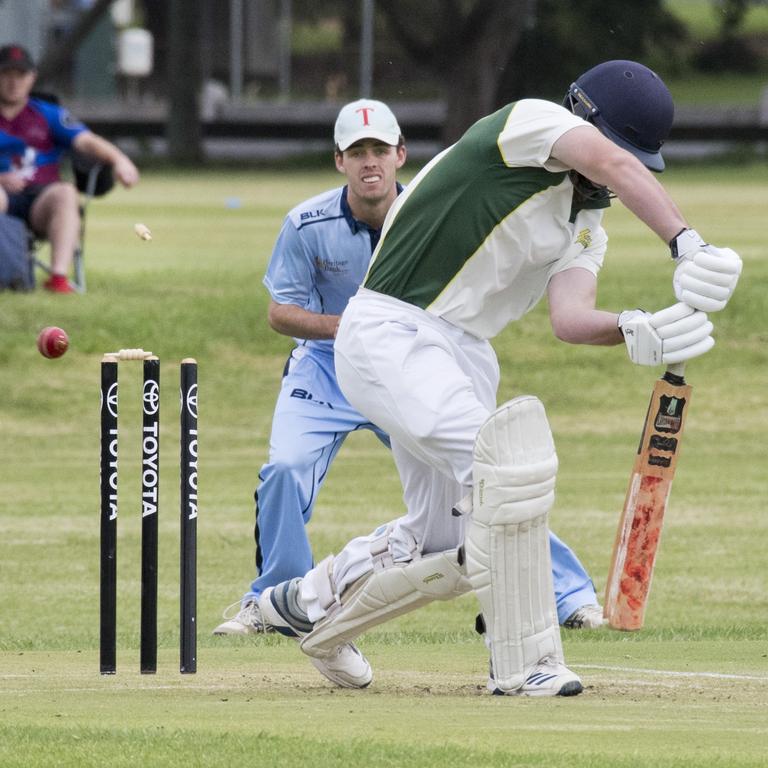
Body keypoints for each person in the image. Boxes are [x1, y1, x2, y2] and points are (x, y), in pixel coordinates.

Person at [255, 61, 742, 697]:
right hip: (391, 329)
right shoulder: (531, 123)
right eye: (622, 154)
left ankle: (309, 607)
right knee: (507, 469)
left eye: (637, 161)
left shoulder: (585, 221)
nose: (624, 173)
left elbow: (569, 319)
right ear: (589, 127)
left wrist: (634, 328)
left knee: (444, 536)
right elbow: (612, 162)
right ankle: (523, 662)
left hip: (461, 352)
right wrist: (686, 243)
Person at [213, 99, 606, 656]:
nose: (369, 162)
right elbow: (280, 311)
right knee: (285, 468)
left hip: (412, 363)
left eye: (379, 150)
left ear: (401, 155)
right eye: (357, 152)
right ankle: (275, 601)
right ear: (339, 162)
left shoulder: (433, 206)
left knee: (483, 471)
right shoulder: (305, 224)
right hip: (325, 368)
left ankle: (567, 594)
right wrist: (350, 327)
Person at [0, 44, 139, 293]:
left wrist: (120, 160)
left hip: (39, 200)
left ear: (32, 78)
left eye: (20, 75)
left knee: (65, 192)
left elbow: (86, 141)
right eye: (7, 75)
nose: (14, 82)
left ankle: (59, 279)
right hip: (2, 197)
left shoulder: (47, 114)